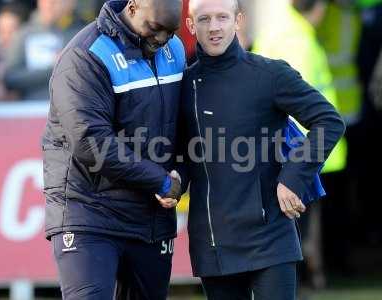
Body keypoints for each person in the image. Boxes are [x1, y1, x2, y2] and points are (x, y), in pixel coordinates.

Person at [173, 0, 345, 298]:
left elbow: (329, 121)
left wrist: (293, 178)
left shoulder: (270, 74)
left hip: (271, 237)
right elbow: (182, 155)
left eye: (222, 18)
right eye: (204, 19)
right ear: (190, 26)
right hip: (213, 242)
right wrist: (172, 182)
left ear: (237, 21)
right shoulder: (183, 85)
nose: (214, 27)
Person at [42, 0, 184, 299]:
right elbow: (92, 142)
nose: (162, 40)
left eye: (171, 32)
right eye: (156, 29)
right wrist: (160, 181)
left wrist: (180, 175)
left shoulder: (176, 49)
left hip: (149, 217)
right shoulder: (87, 55)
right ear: (132, 8)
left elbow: (184, 123)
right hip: (89, 210)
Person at [4, 0, 84, 100]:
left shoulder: (81, 34)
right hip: (31, 108)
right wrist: (53, 68)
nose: (49, 4)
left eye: (55, 1)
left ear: (70, 3)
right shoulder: (23, 34)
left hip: (71, 107)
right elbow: (10, 78)